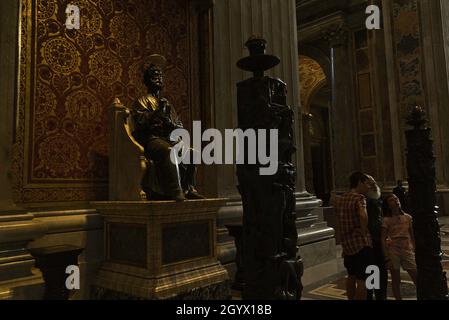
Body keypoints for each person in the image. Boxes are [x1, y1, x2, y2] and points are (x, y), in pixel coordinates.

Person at [131, 55, 204, 201]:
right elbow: (140, 124)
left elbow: (179, 125)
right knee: (169, 151)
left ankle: (189, 188)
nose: (158, 78)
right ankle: (175, 191)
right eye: (154, 76)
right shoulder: (142, 101)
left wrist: (170, 124)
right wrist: (157, 112)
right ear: (147, 80)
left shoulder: (167, 103)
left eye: (160, 76)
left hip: (168, 138)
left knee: (192, 153)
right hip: (152, 140)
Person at [335, 172, 373, 300]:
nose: (368, 187)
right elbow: (363, 215)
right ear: (360, 182)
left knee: (351, 276)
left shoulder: (340, 199)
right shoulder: (359, 198)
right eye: (367, 183)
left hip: (347, 244)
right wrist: (363, 230)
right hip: (360, 244)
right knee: (363, 280)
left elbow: (338, 221)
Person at [381, 194, 417, 300]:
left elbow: (412, 235)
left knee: (416, 275)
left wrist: (414, 248)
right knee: (396, 279)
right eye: (392, 200)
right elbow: (382, 238)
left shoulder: (408, 217)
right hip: (393, 250)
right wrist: (386, 256)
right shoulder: (386, 220)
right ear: (388, 205)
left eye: (396, 198)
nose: (395, 201)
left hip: (407, 249)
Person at [365, 175, 388, 300]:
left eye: (374, 182)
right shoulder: (364, 201)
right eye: (370, 183)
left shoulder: (379, 199)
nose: (374, 185)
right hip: (370, 240)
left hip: (380, 239)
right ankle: (371, 295)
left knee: (382, 271)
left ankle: (381, 296)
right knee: (372, 270)